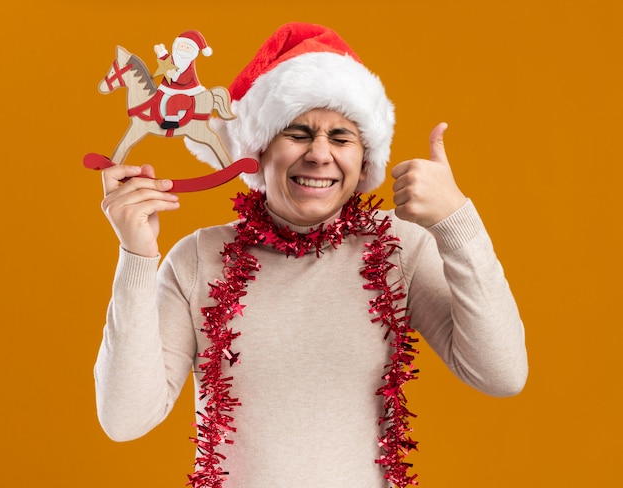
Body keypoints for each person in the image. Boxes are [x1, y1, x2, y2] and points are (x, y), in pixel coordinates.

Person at [94, 22, 528, 488]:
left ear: (365, 161)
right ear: (257, 151)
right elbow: (126, 419)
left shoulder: (399, 249)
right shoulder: (198, 258)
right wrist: (137, 255)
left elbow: (501, 374)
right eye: (297, 133)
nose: (320, 155)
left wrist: (457, 222)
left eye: (341, 138)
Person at [154, 30, 213, 129]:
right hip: (167, 88)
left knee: (174, 102)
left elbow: (184, 79)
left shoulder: (189, 66)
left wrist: (174, 74)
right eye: (181, 46)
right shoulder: (174, 59)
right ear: (176, 45)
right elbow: (166, 62)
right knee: (156, 97)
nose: (184, 50)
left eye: (188, 48)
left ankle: (171, 121)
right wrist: (161, 52)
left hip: (187, 92)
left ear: (193, 52)